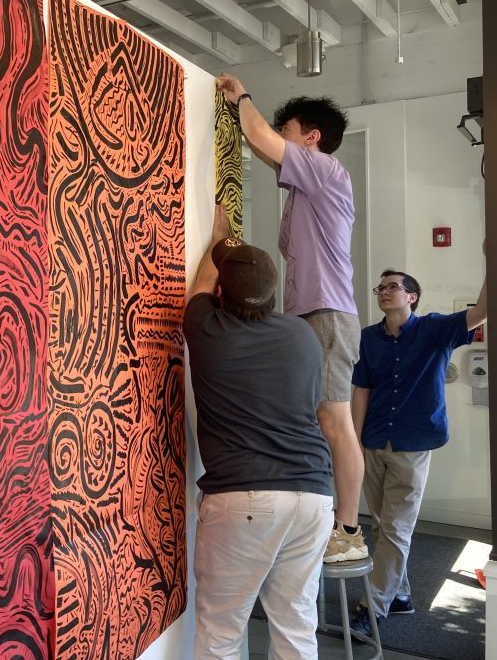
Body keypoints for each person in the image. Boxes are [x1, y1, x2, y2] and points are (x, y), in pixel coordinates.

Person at [215, 75, 365, 563]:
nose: (281, 134)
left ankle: (348, 530)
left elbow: (262, 138)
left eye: (290, 128)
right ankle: (331, 521)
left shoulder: (323, 169)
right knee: (320, 419)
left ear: (312, 137)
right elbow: (266, 148)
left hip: (326, 311)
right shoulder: (305, 185)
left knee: (334, 419)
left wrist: (241, 98)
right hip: (310, 315)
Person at [184, 207, 334, 659]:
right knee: (295, 628)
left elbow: (199, 287)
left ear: (222, 293)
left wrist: (220, 237)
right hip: (313, 496)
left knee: (222, 632)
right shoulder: (302, 336)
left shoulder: (207, 330)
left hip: (244, 499)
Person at [348, 265, 488, 638]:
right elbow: (361, 389)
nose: (384, 291)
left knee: (396, 528)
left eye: (393, 286)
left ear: (412, 297)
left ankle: (371, 608)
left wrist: (494, 258)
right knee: (381, 525)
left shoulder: (435, 330)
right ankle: (400, 596)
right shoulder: (367, 338)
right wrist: (356, 441)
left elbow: (483, 310)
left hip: (413, 445)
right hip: (374, 440)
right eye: (380, 287)